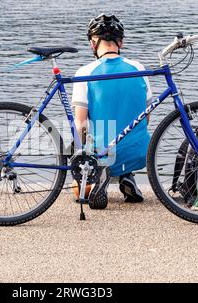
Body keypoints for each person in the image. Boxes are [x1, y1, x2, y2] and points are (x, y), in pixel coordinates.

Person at [72, 14, 152, 209]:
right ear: (121, 42)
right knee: (126, 131)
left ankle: (101, 174)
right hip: (141, 153)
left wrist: (82, 158)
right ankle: (127, 176)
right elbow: (146, 117)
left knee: (77, 189)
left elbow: (80, 125)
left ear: (93, 43)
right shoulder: (139, 68)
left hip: (105, 153)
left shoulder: (84, 73)